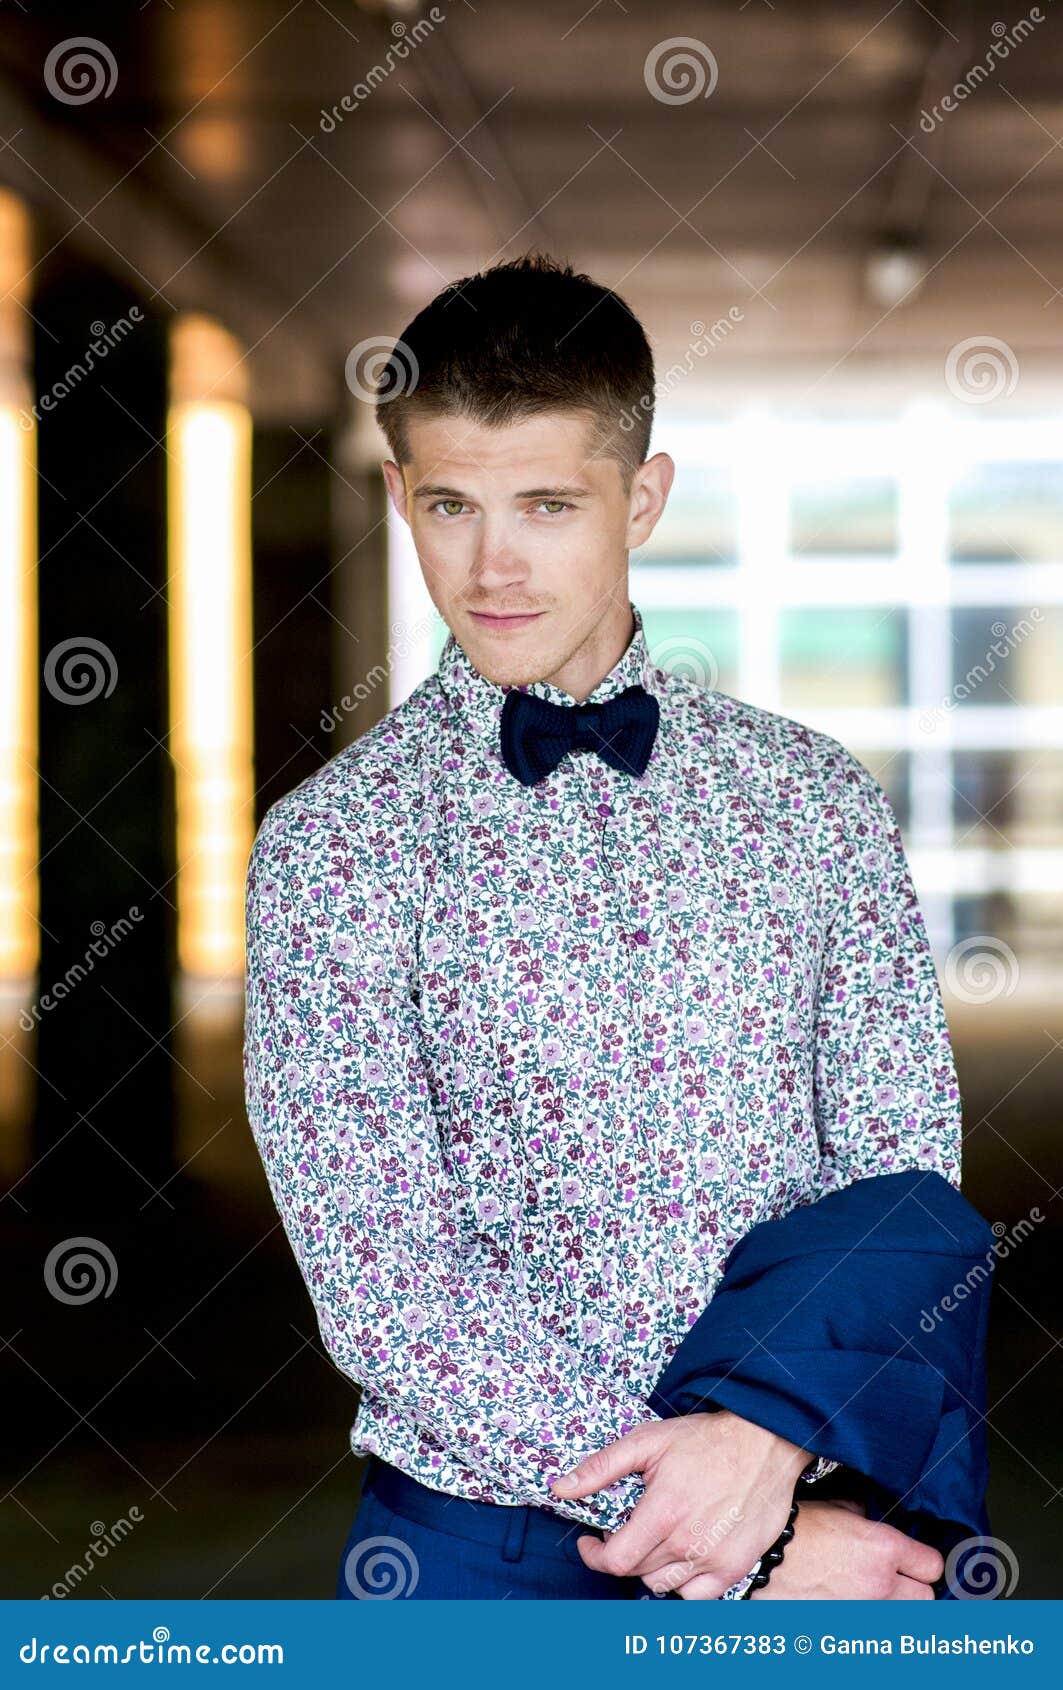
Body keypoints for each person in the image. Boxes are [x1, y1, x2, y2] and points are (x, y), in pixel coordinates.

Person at [243, 254, 994, 1601]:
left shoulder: (811, 800)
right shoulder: (329, 851)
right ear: (401, 495)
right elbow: (386, 1282)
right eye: (449, 504)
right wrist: (734, 1532)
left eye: (548, 502)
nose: (493, 563)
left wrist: (764, 1456)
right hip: (481, 1549)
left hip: (808, 1489)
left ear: (644, 496)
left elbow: (900, 1181)